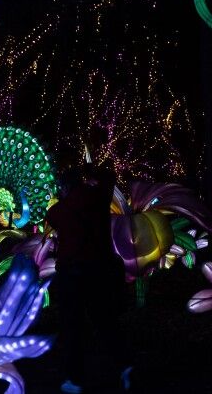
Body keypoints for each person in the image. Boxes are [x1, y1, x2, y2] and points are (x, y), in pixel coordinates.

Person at [46, 165, 131, 393]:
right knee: (105, 321)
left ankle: (75, 378)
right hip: (99, 270)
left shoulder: (61, 209)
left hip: (72, 273)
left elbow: (51, 217)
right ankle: (125, 366)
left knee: (73, 326)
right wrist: (91, 171)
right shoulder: (98, 198)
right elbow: (109, 177)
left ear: (65, 187)